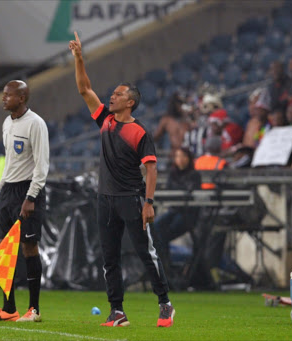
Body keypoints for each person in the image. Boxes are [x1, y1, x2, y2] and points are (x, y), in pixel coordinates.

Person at [69, 32, 174, 328]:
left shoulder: (139, 133)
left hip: (131, 198)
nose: (111, 96)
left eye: (117, 94)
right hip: (105, 198)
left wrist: (149, 202)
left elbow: (151, 170)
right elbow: (84, 88)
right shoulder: (105, 119)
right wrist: (79, 58)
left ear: (129, 102)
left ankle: (165, 303)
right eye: (112, 94)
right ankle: (117, 311)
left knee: (145, 252)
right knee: (109, 258)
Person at [0, 80, 49, 323]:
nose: (3, 99)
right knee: (3, 250)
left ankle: (34, 309)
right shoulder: (7, 123)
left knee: (29, 247)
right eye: (3, 94)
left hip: (28, 190)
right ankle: (8, 308)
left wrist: (31, 197)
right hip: (9, 191)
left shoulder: (36, 124)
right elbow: (10, 162)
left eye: (8, 95)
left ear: (21, 98)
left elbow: (42, 165)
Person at [153, 147, 201, 279]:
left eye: (183, 156)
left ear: (189, 159)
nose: (180, 159)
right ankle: (164, 265)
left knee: (165, 234)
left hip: (187, 213)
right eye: (178, 156)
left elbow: (189, 193)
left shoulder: (194, 175)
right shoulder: (172, 174)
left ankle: (167, 268)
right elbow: (170, 192)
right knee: (155, 228)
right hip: (174, 210)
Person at [153, 93, 189, 158]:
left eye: (182, 104)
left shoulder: (187, 120)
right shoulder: (167, 120)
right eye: (179, 103)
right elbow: (155, 137)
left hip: (187, 154)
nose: (181, 106)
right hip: (174, 155)